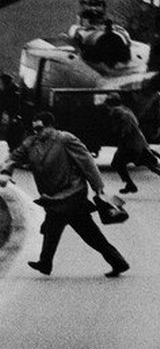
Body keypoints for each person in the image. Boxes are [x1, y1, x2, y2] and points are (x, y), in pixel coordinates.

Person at [0, 112, 129, 277]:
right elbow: (13, 157)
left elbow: (87, 162)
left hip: (72, 193)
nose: (37, 132)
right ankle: (117, 261)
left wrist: (99, 188)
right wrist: (6, 172)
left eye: (40, 128)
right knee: (78, 231)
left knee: (60, 226)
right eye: (34, 129)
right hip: (53, 197)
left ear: (50, 126)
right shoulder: (31, 143)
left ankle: (46, 262)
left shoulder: (65, 139)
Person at [105, 94, 160, 197]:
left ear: (110, 104)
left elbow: (123, 129)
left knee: (117, 163)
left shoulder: (116, 112)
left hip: (129, 145)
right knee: (153, 165)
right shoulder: (127, 110)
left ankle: (130, 184)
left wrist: (118, 134)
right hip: (140, 143)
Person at [0, 73, 23, 151]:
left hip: (12, 120)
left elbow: (14, 108)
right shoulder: (5, 91)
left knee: (11, 137)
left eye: (1, 83)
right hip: (9, 119)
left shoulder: (14, 93)